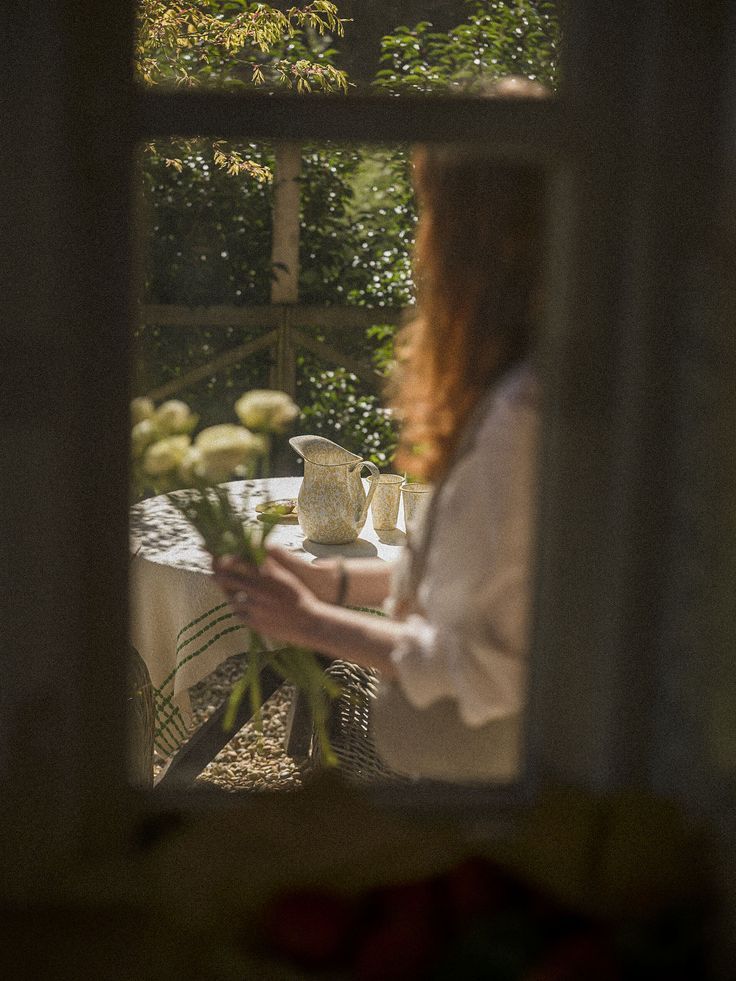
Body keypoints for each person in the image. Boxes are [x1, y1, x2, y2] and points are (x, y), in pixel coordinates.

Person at [214, 77, 548, 782]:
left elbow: (497, 669)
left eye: (430, 211)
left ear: (472, 239)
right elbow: (468, 589)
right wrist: (325, 579)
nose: (419, 240)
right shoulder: (516, 391)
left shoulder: (524, 416)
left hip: (480, 800)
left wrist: (310, 624)